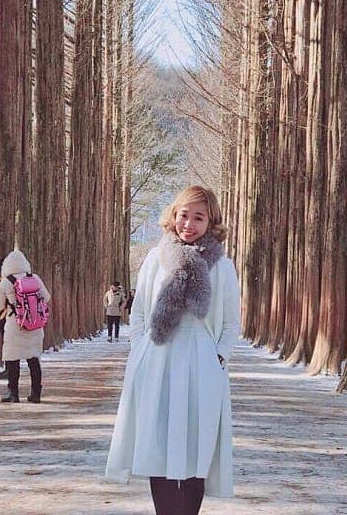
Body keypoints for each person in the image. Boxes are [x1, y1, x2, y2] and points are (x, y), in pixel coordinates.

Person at [106, 185, 241, 514]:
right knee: (159, 445)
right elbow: (138, 314)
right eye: (184, 215)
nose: (189, 224)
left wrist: (218, 356)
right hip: (158, 359)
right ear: (173, 216)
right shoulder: (155, 258)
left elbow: (231, 324)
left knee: (196, 446)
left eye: (199, 217)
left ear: (212, 222)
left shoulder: (222, 267)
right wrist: (141, 351)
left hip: (201, 363)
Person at [0, 249, 52, 403]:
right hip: (34, 324)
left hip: (15, 325)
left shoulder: (6, 282)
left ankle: (13, 393)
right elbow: (47, 297)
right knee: (33, 360)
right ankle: (36, 393)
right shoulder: (35, 278)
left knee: (13, 360)